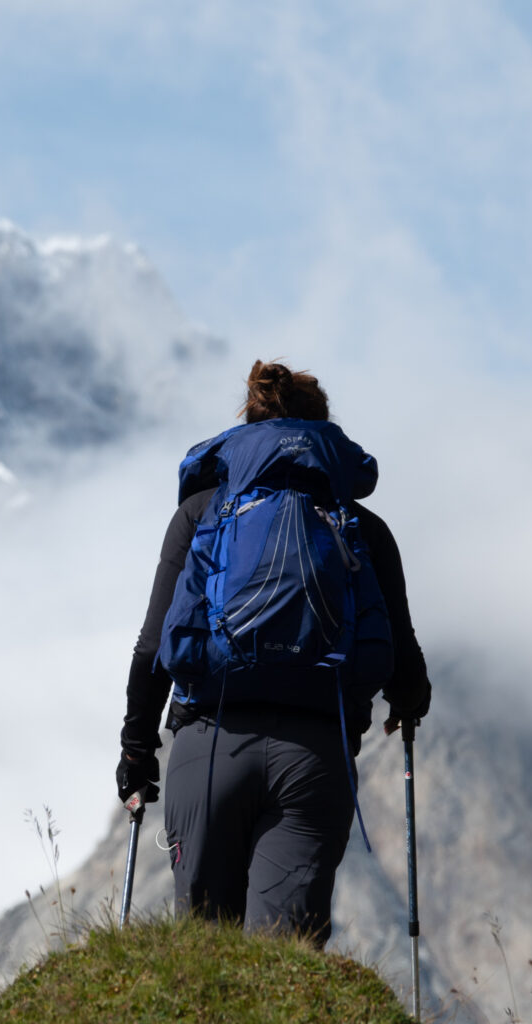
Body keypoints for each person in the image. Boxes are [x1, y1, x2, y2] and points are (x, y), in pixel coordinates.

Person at [116, 359, 430, 946]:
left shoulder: (202, 511)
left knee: (204, 964)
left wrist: (137, 751)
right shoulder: (363, 526)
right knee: (283, 964)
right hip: (314, 757)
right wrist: (407, 705)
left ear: (245, 432)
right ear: (325, 436)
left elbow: (153, 647)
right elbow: (406, 668)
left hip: (209, 746)